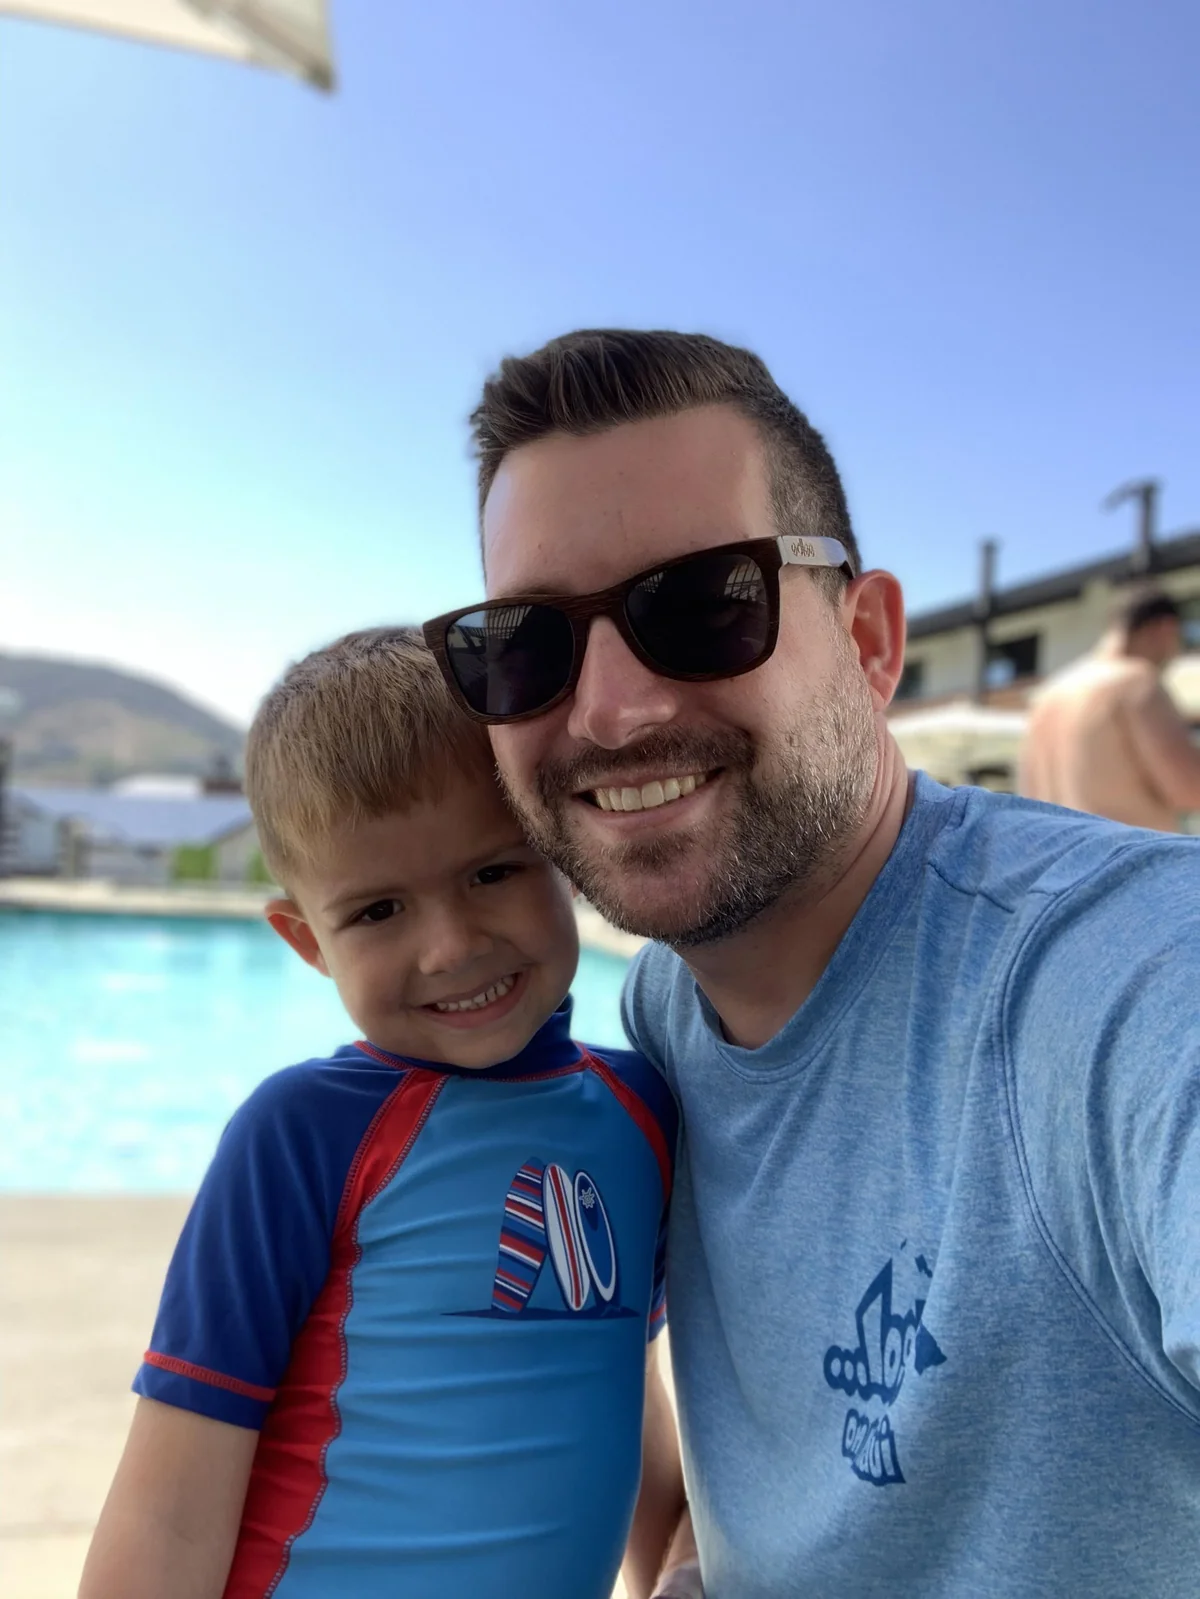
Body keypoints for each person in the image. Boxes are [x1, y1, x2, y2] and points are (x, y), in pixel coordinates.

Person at [421, 330, 1200, 1596]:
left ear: (869, 642)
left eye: (701, 605)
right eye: (526, 646)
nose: (609, 711)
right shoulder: (668, 1009)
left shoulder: (1124, 982)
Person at [79, 627, 686, 1599]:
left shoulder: (641, 1115)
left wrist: (673, 1566)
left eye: (492, 872)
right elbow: (169, 1508)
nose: (451, 947)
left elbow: (620, 1378)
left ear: (565, 852)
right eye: (377, 912)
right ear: (306, 941)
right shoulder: (302, 1137)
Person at [1020, 587, 1200, 829]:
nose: (1175, 654)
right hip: (1129, 849)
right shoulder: (1135, 680)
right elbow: (1190, 789)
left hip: (1059, 849)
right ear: (1165, 629)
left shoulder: (1046, 697)